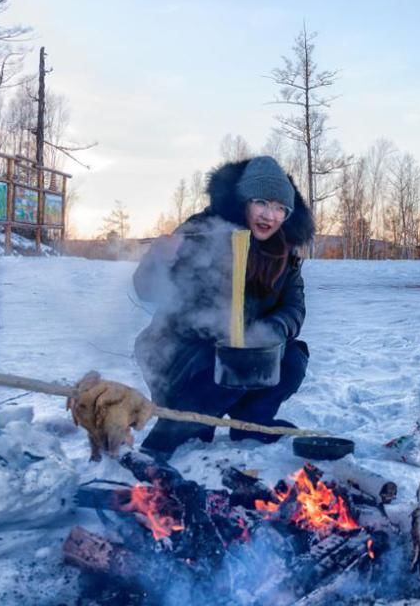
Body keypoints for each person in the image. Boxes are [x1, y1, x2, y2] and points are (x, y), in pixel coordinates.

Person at [132, 156, 314, 456]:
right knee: (231, 362)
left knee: (292, 357)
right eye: (261, 203)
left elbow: (294, 309)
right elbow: (147, 290)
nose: (270, 215)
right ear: (244, 201)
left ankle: (251, 424)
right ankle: (167, 439)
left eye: (280, 208)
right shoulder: (204, 230)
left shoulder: (285, 252)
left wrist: (267, 333)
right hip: (182, 357)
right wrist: (157, 260)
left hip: (236, 362)